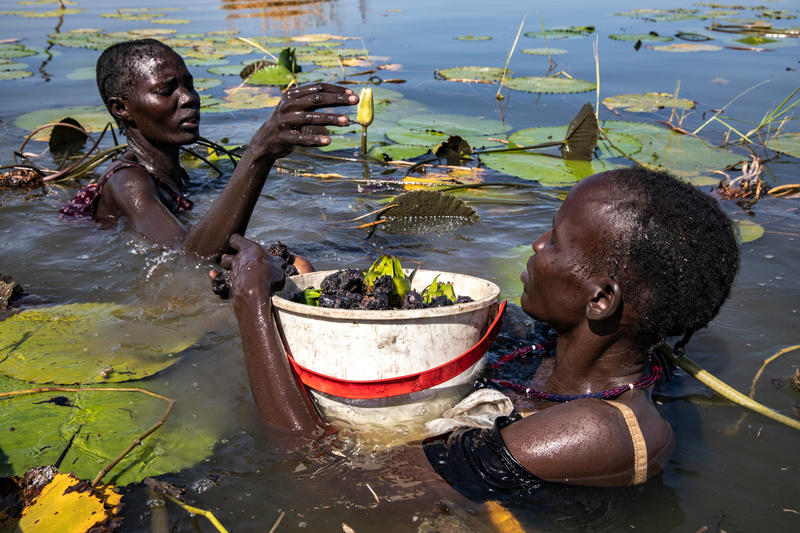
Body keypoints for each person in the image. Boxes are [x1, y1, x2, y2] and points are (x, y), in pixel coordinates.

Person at [219, 166, 740, 497]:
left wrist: (252, 311)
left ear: (600, 300)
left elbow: (331, 476)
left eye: (556, 241)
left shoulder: (601, 431)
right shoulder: (547, 347)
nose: (536, 245)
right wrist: (300, 282)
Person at [59, 38, 357, 263]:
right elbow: (190, 260)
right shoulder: (129, 183)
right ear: (121, 109)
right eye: (167, 91)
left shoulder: (174, 175)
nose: (189, 98)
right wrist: (260, 150)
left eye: (189, 86)